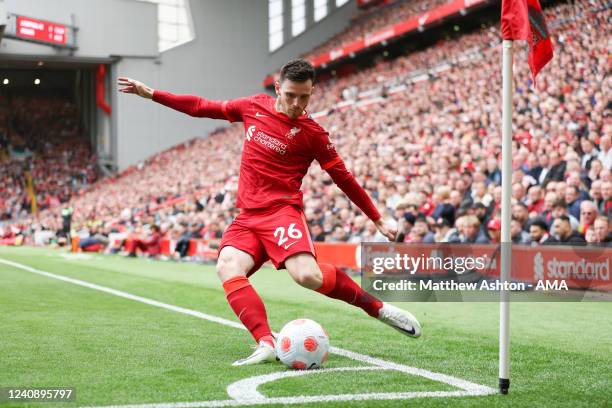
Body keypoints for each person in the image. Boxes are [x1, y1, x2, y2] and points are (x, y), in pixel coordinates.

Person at [118, 59, 421, 366]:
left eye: (305, 96)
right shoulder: (252, 107)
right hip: (248, 217)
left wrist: (378, 218)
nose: (296, 103)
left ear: (313, 91)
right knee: (227, 267)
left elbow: (343, 177)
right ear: (277, 88)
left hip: (281, 213)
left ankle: (378, 309)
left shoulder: (313, 134)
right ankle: (265, 341)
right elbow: (200, 106)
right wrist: (152, 94)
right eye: (290, 95)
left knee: (306, 275)